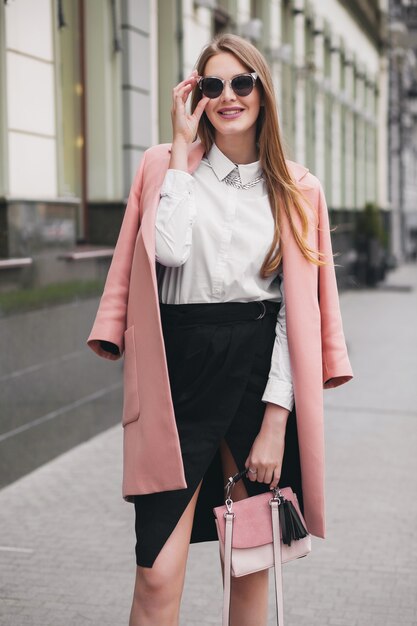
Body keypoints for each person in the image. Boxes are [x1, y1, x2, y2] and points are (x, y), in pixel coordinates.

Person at [87, 33, 353, 626]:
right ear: (196, 95)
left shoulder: (298, 188)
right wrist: (183, 153)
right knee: (156, 577)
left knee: (251, 568)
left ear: (263, 91)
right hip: (176, 378)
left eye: (242, 82)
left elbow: (294, 316)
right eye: (213, 85)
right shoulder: (162, 165)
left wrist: (275, 422)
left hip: (257, 375)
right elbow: (168, 253)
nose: (228, 95)